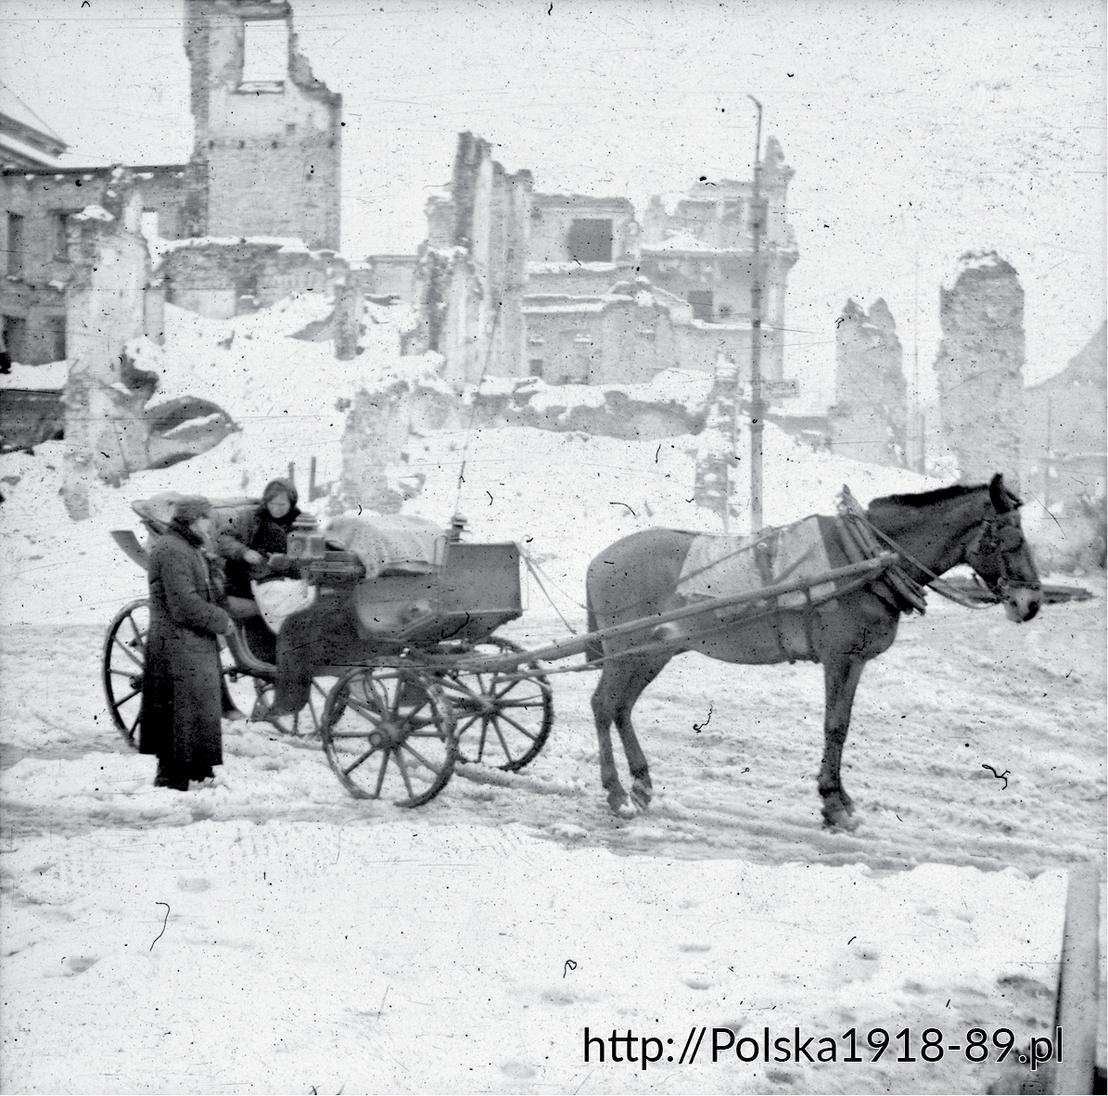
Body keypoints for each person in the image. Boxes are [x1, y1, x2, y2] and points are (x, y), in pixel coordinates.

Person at [139, 495, 234, 790]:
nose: (211, 526)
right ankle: (172, 777)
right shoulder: (172, 550)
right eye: (208, 519)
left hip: (191, 640)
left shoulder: (187, 547)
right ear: (194, 519)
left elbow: (202, 593)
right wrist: (220, 619)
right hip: (176, 642)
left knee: (198, 706)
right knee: (180, 710)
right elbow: (184, 604)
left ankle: (197, 768)